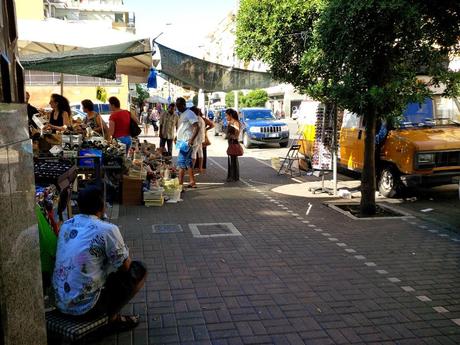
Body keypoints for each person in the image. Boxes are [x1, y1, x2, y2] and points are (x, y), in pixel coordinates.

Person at [52, 185, 146, 329]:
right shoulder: (107, 229)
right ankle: (112, 318)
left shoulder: (66, 225)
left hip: (59, 301)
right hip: (87, 308)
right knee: (138, 270)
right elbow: (125, 266)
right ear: (102, 206)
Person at [175, 97, 199, 189]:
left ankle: (180, 185)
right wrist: (177, 136)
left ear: (184, 105)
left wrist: (191, 140)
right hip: (182, 141)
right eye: (177, 106)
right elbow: (183, 128)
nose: (178, 108)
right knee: (188, 162)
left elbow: (197, 127)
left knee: (181, 162)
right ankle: (192, 181)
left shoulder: (189, 114)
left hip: (186, 142)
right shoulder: (182, 114)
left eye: (179, 106)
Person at [191, 106, 214, 173]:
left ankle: (191, 169)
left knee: (194, 152)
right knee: (200, 152)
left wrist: (192, 138)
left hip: (197, 138)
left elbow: (196, 129)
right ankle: (200, 168)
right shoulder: (201, 118)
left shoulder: (196, 119)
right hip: (201, 138)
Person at [226, 108, 241, 182]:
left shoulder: (235, 122)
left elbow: (237, 133)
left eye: (227, 115)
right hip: (230, 142)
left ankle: (234, 176)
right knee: (231, 159)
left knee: (233, 160)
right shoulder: (230, 122)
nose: (226, 117)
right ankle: (231, 176)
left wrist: (232, 136)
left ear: (231, 115)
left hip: (233, 142)